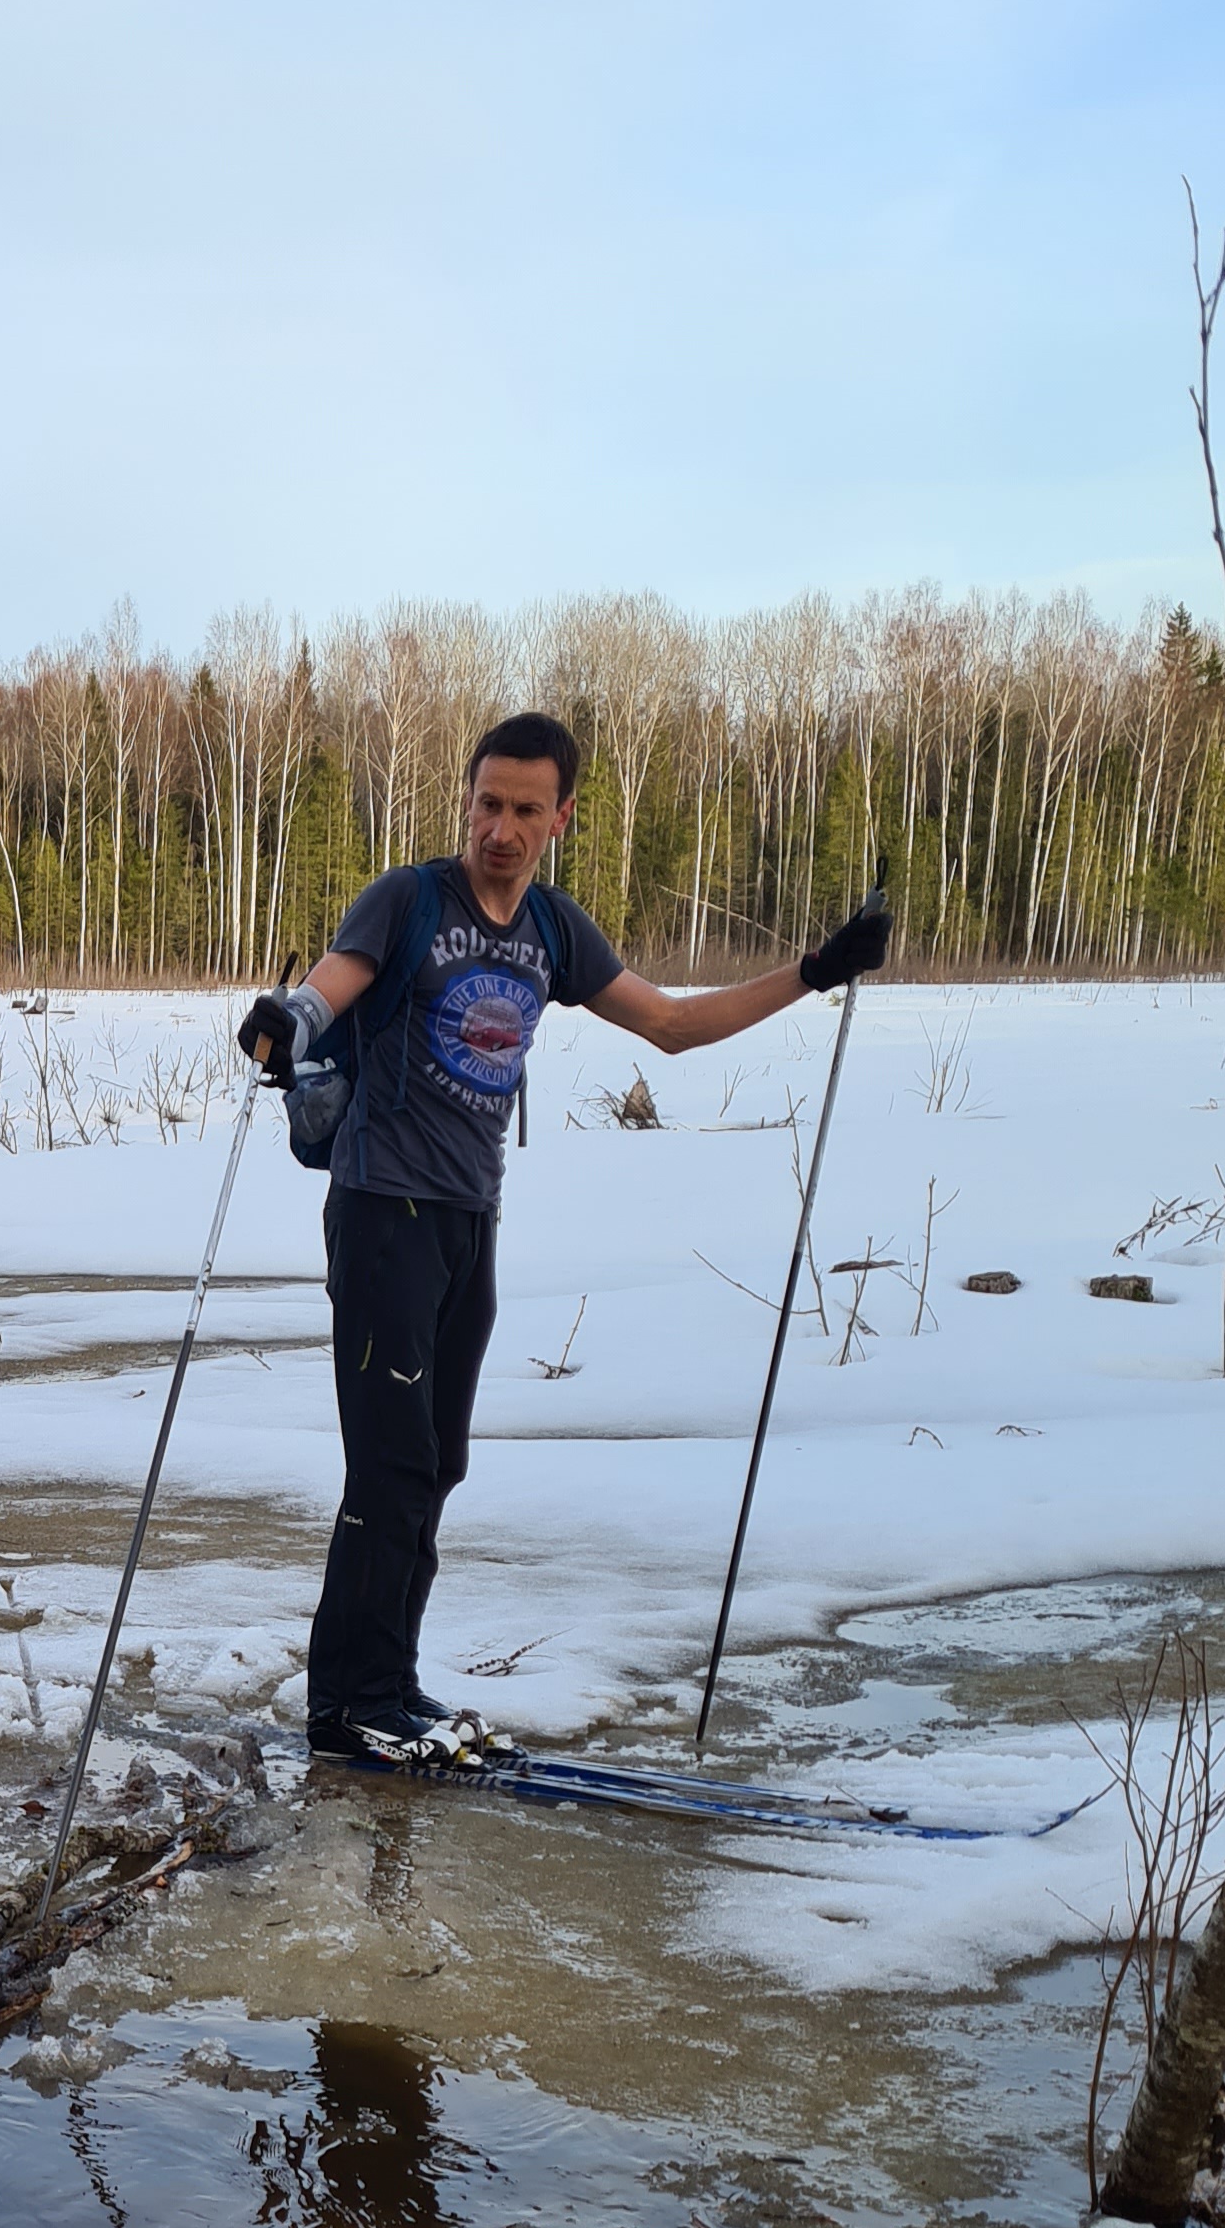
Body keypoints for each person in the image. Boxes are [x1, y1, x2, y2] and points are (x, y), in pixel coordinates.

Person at [239, 712, 889, 1766]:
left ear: (561, 818)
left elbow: (672, 1025)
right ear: (468, 800)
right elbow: (328, 990)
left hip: (469, 1223)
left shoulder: (552, 928)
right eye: (486, 803)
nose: (499, 828)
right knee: (391, 1467)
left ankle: (388, 1684)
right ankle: (346, 1705)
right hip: (382, 1213)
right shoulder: (408, 900)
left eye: (524, 810)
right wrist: (285, 1019)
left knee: (437, 1465)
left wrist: (813, 972)